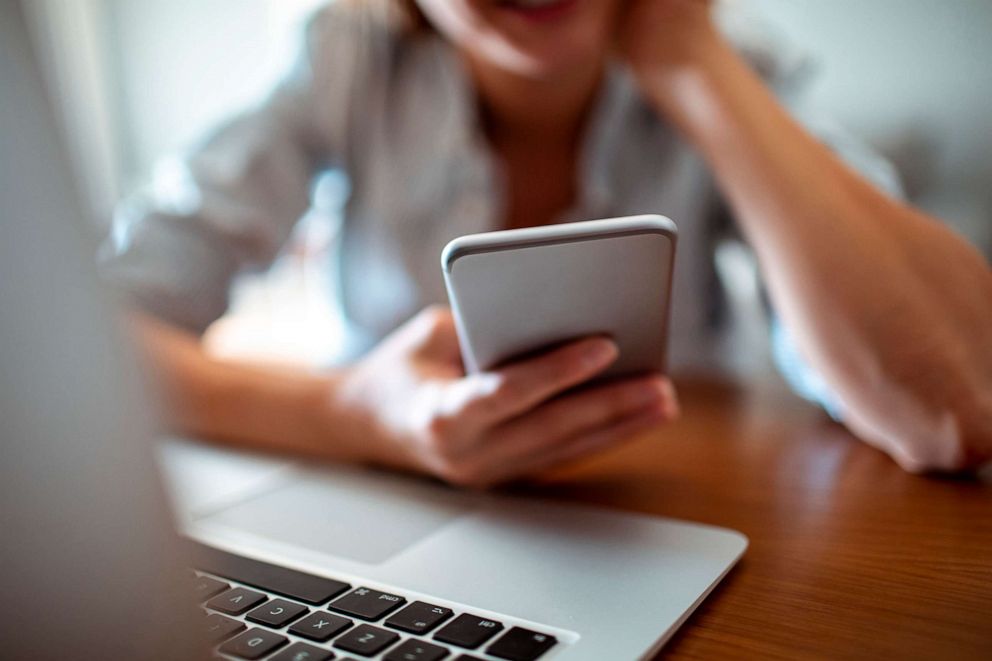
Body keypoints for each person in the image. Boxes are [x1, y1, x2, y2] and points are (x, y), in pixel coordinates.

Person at [102, 0, 992, 486]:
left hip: (675, 511)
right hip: (387, 507)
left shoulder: (727, 67)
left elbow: (956, 405)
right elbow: (83, 346)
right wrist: (354, 415)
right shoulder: (344, 55)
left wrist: (690, 56)